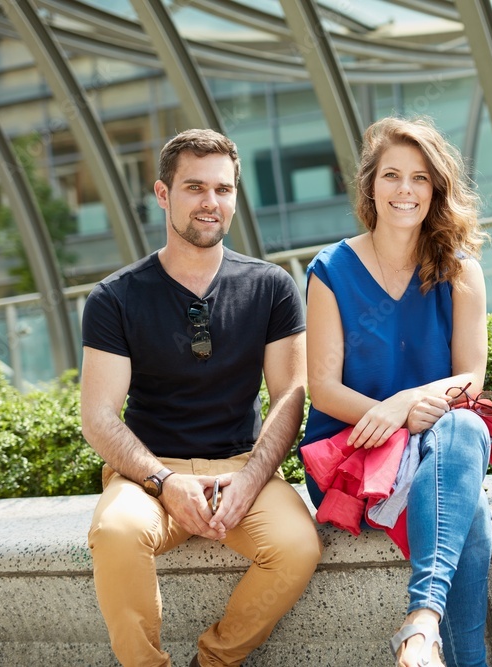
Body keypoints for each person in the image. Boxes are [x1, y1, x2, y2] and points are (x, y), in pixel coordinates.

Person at [81, 129, 322, 667]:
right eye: (194, 187)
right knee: (116, 532)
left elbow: (290, 397)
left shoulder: (272, 286)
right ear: (163, 194)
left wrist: (252, 479)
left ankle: (213, 661)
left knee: (297, 546)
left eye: (223, 189)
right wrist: (164, 483)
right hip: (148, 474)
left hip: (243, 466)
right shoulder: (114, 298)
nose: (211, 203)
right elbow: (97, 417)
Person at [299, 117, 492, 667]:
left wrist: (409, 405)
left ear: (436, 190)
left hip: (434, 440)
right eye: (391, 176)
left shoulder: (461, 271)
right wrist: (393, 414)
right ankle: (429, 627)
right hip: (354, 452)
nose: (405, 190)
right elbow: (324, 388)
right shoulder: (331, 269)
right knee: (468, 506)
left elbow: (469, 378)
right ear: (370, 185)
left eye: (420, 178)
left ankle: (421, 624)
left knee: (464, 422)